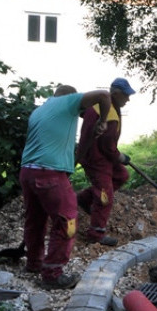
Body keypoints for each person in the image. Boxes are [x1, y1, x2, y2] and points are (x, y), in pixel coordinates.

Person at [20, 84, 111, 289]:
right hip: (49, 174)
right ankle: (52, 273)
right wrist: (103, 121)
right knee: (67, 220)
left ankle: (34, 262)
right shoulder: (67, 102)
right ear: (70, 97)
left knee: (35, 220)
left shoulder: (39, 111)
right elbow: (104, 96)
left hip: (27, 171)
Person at [76, 78, 136, 246]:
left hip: (101, 155)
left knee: (121, 175)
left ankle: (82, 199)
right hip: (96, 158)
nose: (128, 99)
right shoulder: (108, 112)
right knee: (104, 196)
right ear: (116, 94)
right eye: (126, 95)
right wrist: (120, 157)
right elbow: (107, 146)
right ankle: (96, 234)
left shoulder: (100, 105)